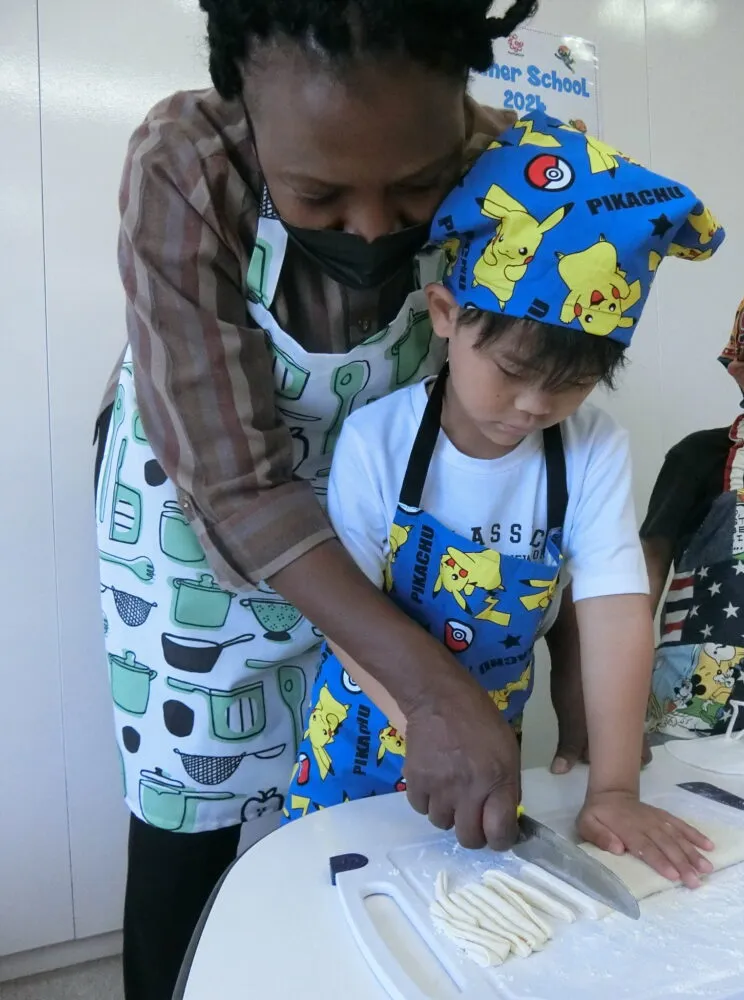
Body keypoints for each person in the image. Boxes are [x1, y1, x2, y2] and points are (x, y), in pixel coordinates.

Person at [92, 3, 574, 997]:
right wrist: (433, 691)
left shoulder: (516, 167)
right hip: (197, 521)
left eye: (418, 189)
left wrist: (563, 679)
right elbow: (237, 482)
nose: (372, 228)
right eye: (317, 193)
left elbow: (550, 393)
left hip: (386, 521)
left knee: (364, 805)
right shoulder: (187, 161)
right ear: (249, 112)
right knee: (194, 816)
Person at [283, 110, 725, 886]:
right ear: (447, 316)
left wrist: (614, 789)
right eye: (514, 372)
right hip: (356, 746)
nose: (532, 407)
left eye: (572, 383)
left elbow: (616, 611)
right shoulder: (378, 440)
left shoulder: (591, 449)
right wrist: (428, 723)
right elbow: (345, 614)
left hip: (489, 769)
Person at [643, 293, 744, 739]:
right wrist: (614, 697)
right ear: (742, 369)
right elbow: (645, 576)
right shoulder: (696, 456)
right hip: (694, 701)